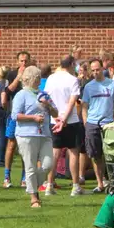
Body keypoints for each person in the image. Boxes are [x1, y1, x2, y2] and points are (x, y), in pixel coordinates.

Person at [11, 65, 56, 209]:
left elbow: (55, 113)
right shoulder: (21, 95)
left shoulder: (44, 94)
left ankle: (32, 186)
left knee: (48, 164)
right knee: (30, 166)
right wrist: (33, 118)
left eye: (39, 77)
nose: (39, 80)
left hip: (44, 134)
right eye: (36, 78)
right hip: (26, 134)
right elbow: (15, 115)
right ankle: (34, 197)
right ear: (29, 79)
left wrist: (48, 105)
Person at [44, 55, 85, 195]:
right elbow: (72, 101)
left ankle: (49, 185)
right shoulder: (73, 79)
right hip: (71, 120)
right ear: (72, 64)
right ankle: (75, 186)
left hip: (54, 121)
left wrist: (56, 117)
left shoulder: (51, 78)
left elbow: (46, 99)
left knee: (54, 152)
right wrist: (64, 120)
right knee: (73, 152)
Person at [80, 58, 114, 192]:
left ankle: (112, 181)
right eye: (93, 70)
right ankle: (100, 183)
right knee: (95, 155)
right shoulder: (89, 87)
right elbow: (84, 106)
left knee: (112, 154)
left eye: (98, 69)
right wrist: (86, 122)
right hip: (92, 123)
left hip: (108, 124)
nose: (96, 72)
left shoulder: (111, 84)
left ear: (102, 69)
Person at [0, 66, 20, 188]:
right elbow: (4, 99)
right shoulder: (4, 84)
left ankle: (2, 164)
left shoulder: (0, 84)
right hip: (5, 112)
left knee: (5, 139)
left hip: (3, 111)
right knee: (5, 139)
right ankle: (0, 161)